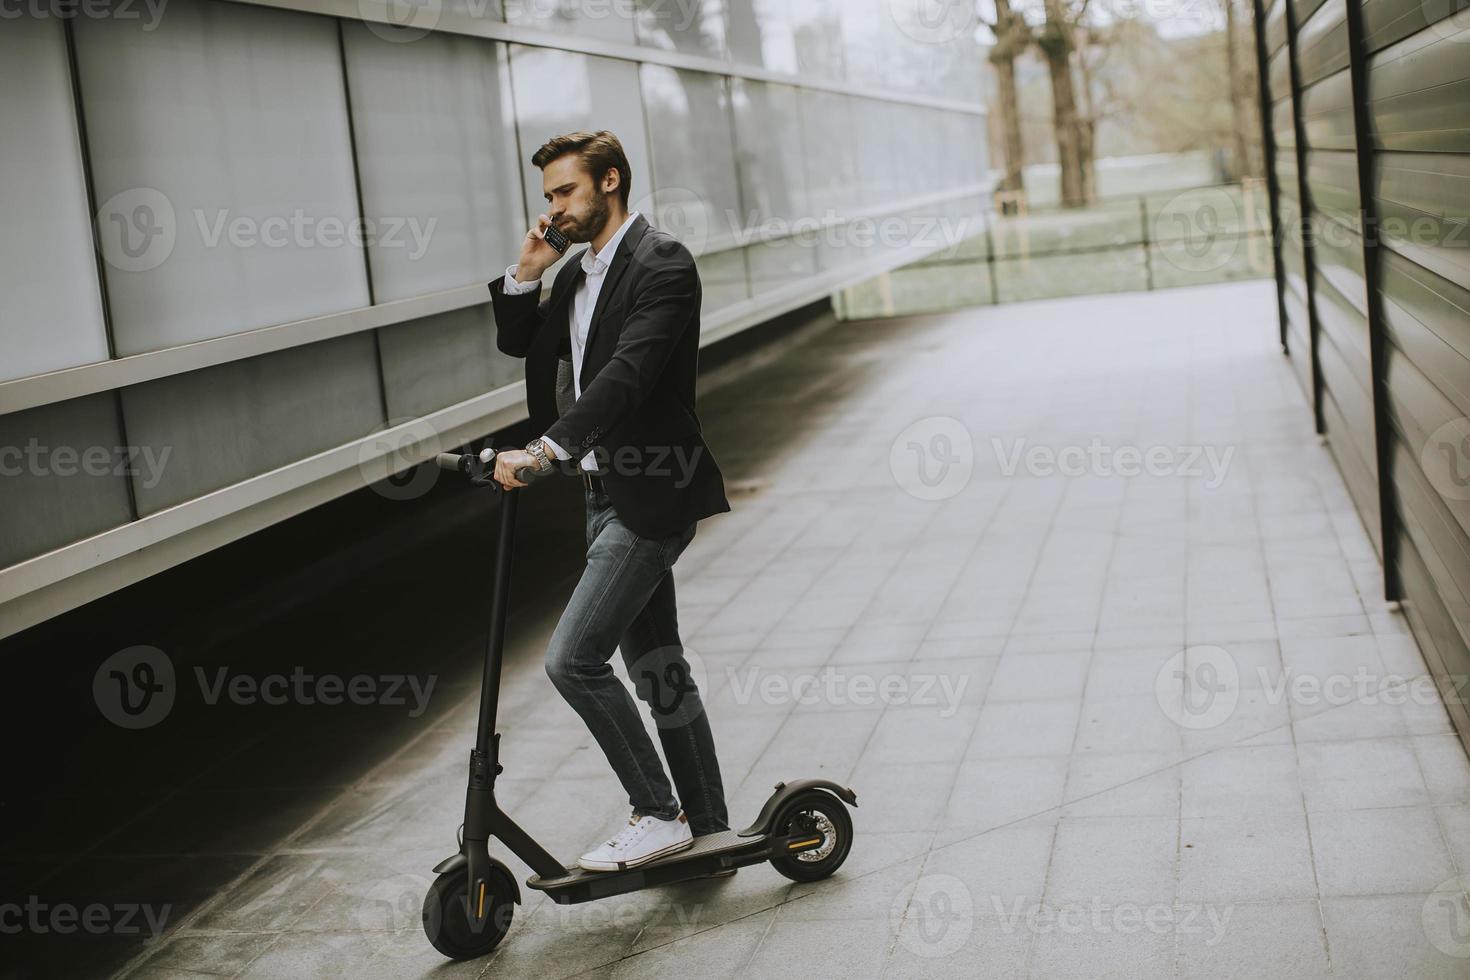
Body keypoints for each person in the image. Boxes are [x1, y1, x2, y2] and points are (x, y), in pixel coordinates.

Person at [488, 130, 734, 874]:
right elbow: (518, 343)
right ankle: (710, 828)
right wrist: (527, 274)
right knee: (659, 667)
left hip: (652, 494)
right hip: (603, 495)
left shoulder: (663, 263)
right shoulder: (573, 275)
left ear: (611, 181)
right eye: (549, 198)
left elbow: (626, 376)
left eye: (565, 192)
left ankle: (659, 814)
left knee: (574, 660)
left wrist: (545, 449)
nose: (554, 210)